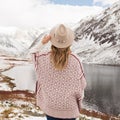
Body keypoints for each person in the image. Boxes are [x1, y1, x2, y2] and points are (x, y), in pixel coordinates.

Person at [31, 24, 87, 120]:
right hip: (70, 108)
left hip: (50, 106)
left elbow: (33, 53)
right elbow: (82, 85)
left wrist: (43, 42)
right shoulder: (75, 60)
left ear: (52, 41)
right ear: (69, 42)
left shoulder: (43, 58)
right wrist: (79, 101)